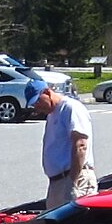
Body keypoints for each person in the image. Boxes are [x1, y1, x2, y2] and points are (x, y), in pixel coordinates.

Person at [33, 79, 95, 210]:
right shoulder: (52, 114)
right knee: (53, 221)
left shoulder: (70, 108)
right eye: (33, 104)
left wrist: (72, 182)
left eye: (37, 101)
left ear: (47, 92)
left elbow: (80, 144)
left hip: (75, 179)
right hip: (57, 181)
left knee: (76, 221)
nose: (36, 107)